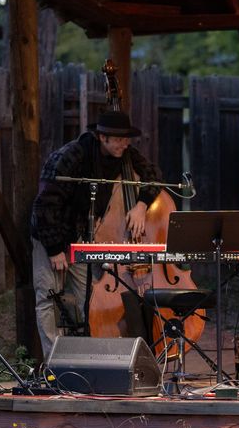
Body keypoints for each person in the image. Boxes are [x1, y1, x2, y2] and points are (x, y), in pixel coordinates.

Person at [29, 109, 163, 359]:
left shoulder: (124, 155)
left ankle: (84, 360)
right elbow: (44, 205)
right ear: (103, 137)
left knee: (87, 299)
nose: (125, 144)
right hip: (51, 233)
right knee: (49, 296)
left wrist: (141, 205)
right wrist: (55, 249)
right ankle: (54, 364)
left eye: (127, 139)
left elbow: (154, 175)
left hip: (80, 235)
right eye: (119, 139)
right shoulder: (73, 156)